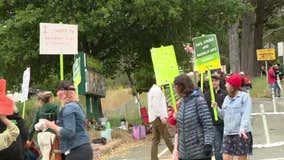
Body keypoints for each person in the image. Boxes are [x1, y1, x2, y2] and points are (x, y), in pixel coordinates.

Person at [44, 80, 93, 160]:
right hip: (83, 148)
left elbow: (69, 132)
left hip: (76, 151)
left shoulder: (68, 108)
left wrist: (52, 126)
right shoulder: (76, 106)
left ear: (61, 93)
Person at [173, 74, 215, 160]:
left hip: (199, 152)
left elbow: (207, 125)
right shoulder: (181, 103)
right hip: (184, 154)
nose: (174, 89)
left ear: (182, 86)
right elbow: (180, 129)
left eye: (175, 86)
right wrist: (178, 147)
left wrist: (208, 144)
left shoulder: (198, 101)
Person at [214, 73, 253, 160]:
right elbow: (223, 116)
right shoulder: (227, 99)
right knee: (226, 157)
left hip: (241, 133)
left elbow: (246, 116)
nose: (225, 85)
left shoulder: (244, 97)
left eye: (227, 83)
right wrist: (217, 109)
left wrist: (242, 129)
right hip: (228, 133)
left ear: (233, 86)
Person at [26, 91, 59, 160]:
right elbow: (59, 120)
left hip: (40, 136)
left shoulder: (39, 109)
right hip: (50, 134)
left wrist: (29, 139)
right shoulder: (55, 107)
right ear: (50, 98)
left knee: (44, 156)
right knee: (50, 156)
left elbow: (33, 124)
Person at [148, 84, 174, 160]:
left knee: (155, 139)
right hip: (158, 118)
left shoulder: (151, 91)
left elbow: (153, 105)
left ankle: (154, 158)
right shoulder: (157, 91)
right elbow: (157, 105)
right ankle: (176, 155)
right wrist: (162, 116)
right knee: (167, 137)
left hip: (154, 118)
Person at [204, 74, 227, 160]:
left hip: (225, 123)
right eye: (212, 81)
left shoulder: (225, 93)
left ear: (219, 81)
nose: (214, 82)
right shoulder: (206, 95)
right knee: (217, 148)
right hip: (213, 125)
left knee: (226, 147)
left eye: (216, 80)